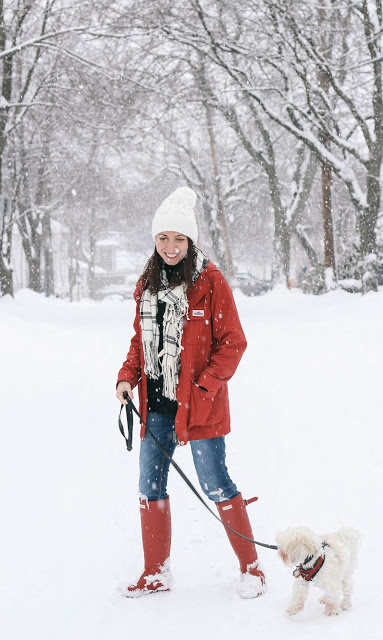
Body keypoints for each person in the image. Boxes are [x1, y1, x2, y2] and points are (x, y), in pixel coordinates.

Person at [116, 186, 265, 599]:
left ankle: (252, 568)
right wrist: (127, 376)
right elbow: (139, 341)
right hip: (157, 407)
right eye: (163, 237)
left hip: (200, 407)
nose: (170, 246)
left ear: (190, 240)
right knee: (150, 487)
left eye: (178, 238)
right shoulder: (147, 284)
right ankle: (156, 573)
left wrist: (202, 389)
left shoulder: (210, 282)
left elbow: (233, 343)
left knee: (216, 484)